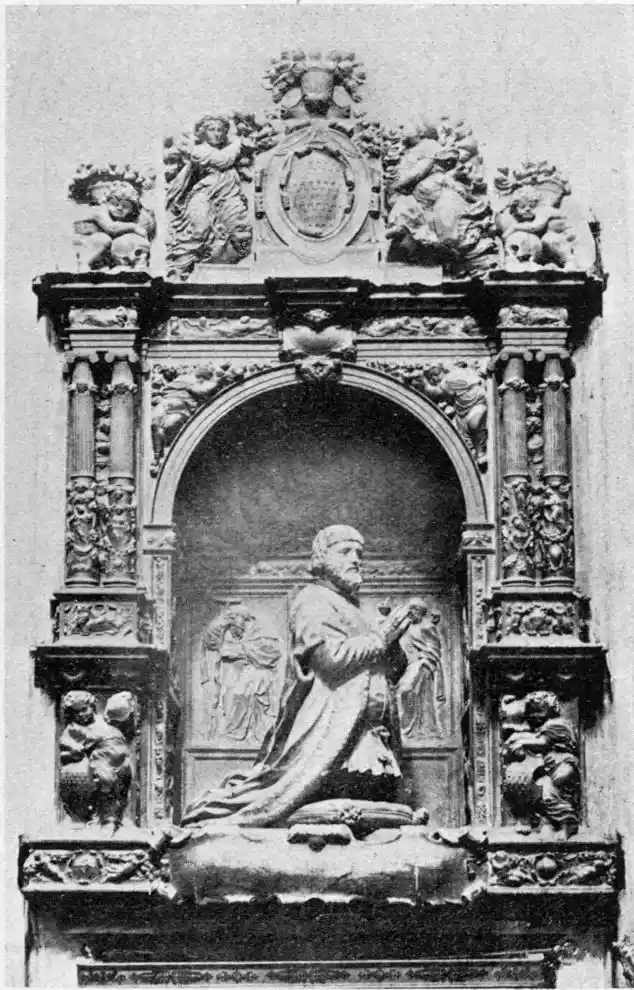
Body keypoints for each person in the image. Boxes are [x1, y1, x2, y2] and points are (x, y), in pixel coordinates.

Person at [181, 525, 424, 827]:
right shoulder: (313, 599)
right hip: (332, 730)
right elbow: (331, 660)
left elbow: (391, 671)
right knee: (300, 800)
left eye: (359, 553)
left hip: (369, 733)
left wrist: (392, 643)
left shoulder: (353, 608)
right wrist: (379, 638)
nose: (356, 559)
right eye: (345, 551)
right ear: (322, 558)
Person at [166, 114, 253, 279]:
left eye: (221, 130)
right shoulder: (199, 150)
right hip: (204, 194)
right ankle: (179, 269)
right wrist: (238, 142)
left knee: (241, 230)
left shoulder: (224, 150)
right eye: (212, 129)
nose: (217, 133)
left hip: (229, 194)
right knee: (199, 230)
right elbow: (224, 160)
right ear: (203, 132)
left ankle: (221, 262)